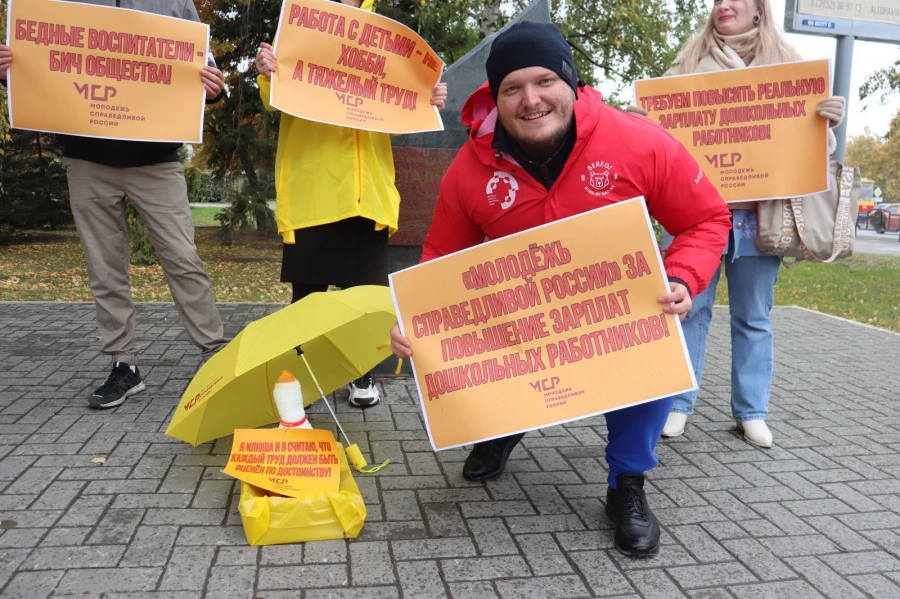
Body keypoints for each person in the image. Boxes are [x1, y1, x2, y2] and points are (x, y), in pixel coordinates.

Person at [389, 21, 731, 556]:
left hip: (615, 313)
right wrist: (413, 318)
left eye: (545, 80)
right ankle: (503, 424)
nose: (531, 100)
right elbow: (440, 259)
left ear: (571, 83)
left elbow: (707, 220)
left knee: (653, 339)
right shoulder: (468, 170)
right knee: (477, 346)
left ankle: (627, 484)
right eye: (512, 88)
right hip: (518, 319)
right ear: (495, 97)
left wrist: (682, 278)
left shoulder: (638, 142)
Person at [627, 0, 845, 448]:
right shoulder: (687, 64)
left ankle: (751, 411)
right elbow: (655, 136)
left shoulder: (788, 67)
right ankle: (676, 404)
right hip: (692, 213)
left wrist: (827, 123)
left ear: (759, 8)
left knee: (754, 316)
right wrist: (640, 123)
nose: (724, 4)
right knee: (687, 310)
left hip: (759, 214)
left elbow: (814, 151)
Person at [0, 0, 229, 410]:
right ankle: (125, 366)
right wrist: (9, 74)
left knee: (183, 258)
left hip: (156, 159)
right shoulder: (62, 3)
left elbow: (204, 65)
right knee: (104, 268)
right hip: (86, 158)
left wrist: (214, 88)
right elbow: (43, 64)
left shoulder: (176, 2)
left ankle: (217, 355)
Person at [254, 0, 447, 409]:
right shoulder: (302, 23)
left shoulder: (386, 36)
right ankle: (302, 380)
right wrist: (267, 73)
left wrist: (427, 96)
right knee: (307, 298)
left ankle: (363, 374)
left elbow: (406, 101)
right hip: (314, 189)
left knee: (366, 298)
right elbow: (275, 100)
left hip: (368, 192)